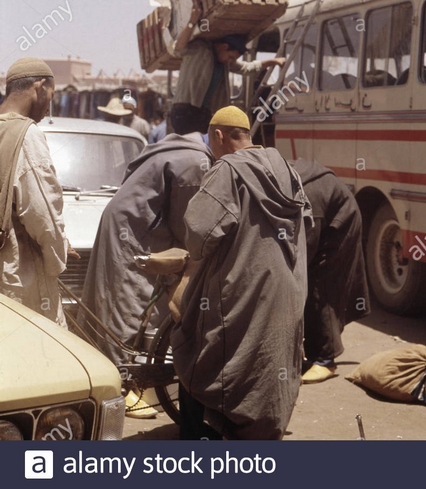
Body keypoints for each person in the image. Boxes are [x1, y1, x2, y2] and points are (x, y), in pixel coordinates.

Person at [171, 106, 312, 440]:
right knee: (269, 359)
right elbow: (306, 222)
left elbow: (199, 233)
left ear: (218, 136)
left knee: (207, 350)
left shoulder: (227, 170)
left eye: (211, 140)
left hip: (242, 286)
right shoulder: (284, 166)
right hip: (286, 287)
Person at [80, 129, 214, 417]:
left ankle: (113, 382)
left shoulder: (178, 149)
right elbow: (188, 225)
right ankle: (118, 391)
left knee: (116, 305)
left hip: (127, 226)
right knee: (126, 311)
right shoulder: (195, 162)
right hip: (133, 234)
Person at [0, 58, 71, 326]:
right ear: (39, 87)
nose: (49, 106)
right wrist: (56, 259)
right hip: (19, 276)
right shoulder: (26, 134)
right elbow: (43, 215)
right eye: (51, 96)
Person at [291, 158, 370, 383]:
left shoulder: (307, 199)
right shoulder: (283, 182)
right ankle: (314, 349)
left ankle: (326, 360)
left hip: (339, 221)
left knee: (320, 285)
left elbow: (304, 249)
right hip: (326, 215)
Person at [171, 8, 285, 135]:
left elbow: (248, 68)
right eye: (231, 57)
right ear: (224, 47)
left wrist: (273, 61)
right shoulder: (200, 49)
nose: (230, 61)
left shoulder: (224, 63)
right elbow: (178, 48)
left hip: (204, 113)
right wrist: (191, 22)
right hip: (185, 110)